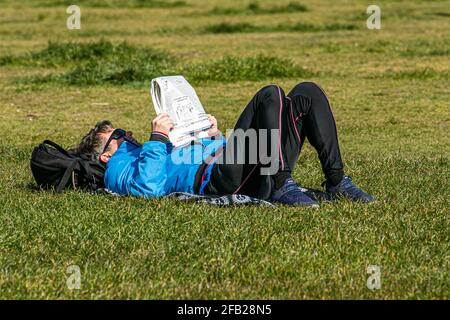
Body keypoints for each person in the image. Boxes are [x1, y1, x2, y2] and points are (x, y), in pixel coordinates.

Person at [74, 82, 374, 207]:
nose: (127, 136)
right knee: (269, 95)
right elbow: (146, 190)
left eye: (123, 132)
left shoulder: (147, 153)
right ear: (105, 156)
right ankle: (281, 183)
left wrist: (213, 137)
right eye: (118, 136)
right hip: (219, 176)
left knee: (306, 92)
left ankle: (337, 181)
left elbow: (184, 158)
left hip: (235, 161)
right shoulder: (119, 169)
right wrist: (157, 139)